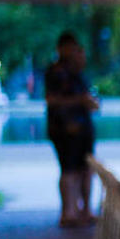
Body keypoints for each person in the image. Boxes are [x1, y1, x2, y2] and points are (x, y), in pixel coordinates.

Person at [45, 32, 99, 228]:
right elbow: (52, 100)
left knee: (86, 168)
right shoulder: (56, 72)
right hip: (64, 129)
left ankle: (85, 209)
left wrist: (88, 102)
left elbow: (87, 96)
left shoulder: (77, 73)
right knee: (69, 170)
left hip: (83, 128)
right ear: (61, 48)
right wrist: (80, 101)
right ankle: (68, 211)